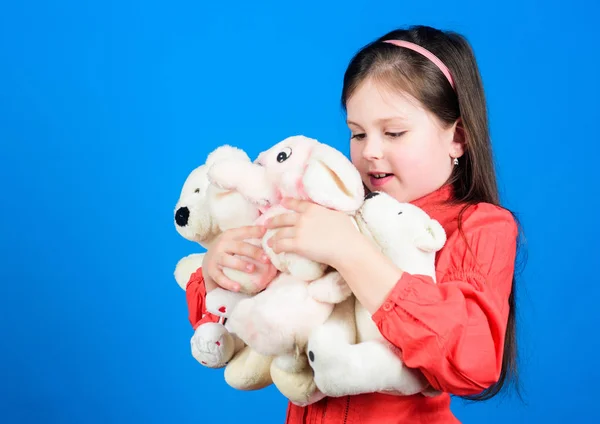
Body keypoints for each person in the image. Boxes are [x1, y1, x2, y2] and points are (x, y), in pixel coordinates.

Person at [186, 24, 522, 423]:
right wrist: (220, 271)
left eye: (394, 132)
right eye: (358, 134)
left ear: (458, 138)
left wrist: (349, 251)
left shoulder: (480, 227)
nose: (371, 152)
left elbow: (473, 361)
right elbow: (253, 321)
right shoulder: (329, 206)